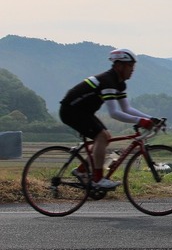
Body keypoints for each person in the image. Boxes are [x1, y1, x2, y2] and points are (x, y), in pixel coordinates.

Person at [59, 48, 160, 190]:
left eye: (133, 66)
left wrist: (151, 119)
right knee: (101, 136)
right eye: (130, 66)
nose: (133, 70)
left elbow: (127, 109)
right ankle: (97, 179)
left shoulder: (119, 83)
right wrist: (141, 121)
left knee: (105, 137)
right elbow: (114, 113)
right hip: (71, 111)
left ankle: (81, 171)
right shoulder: (108, 81)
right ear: (119, 66)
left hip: (83, 111)